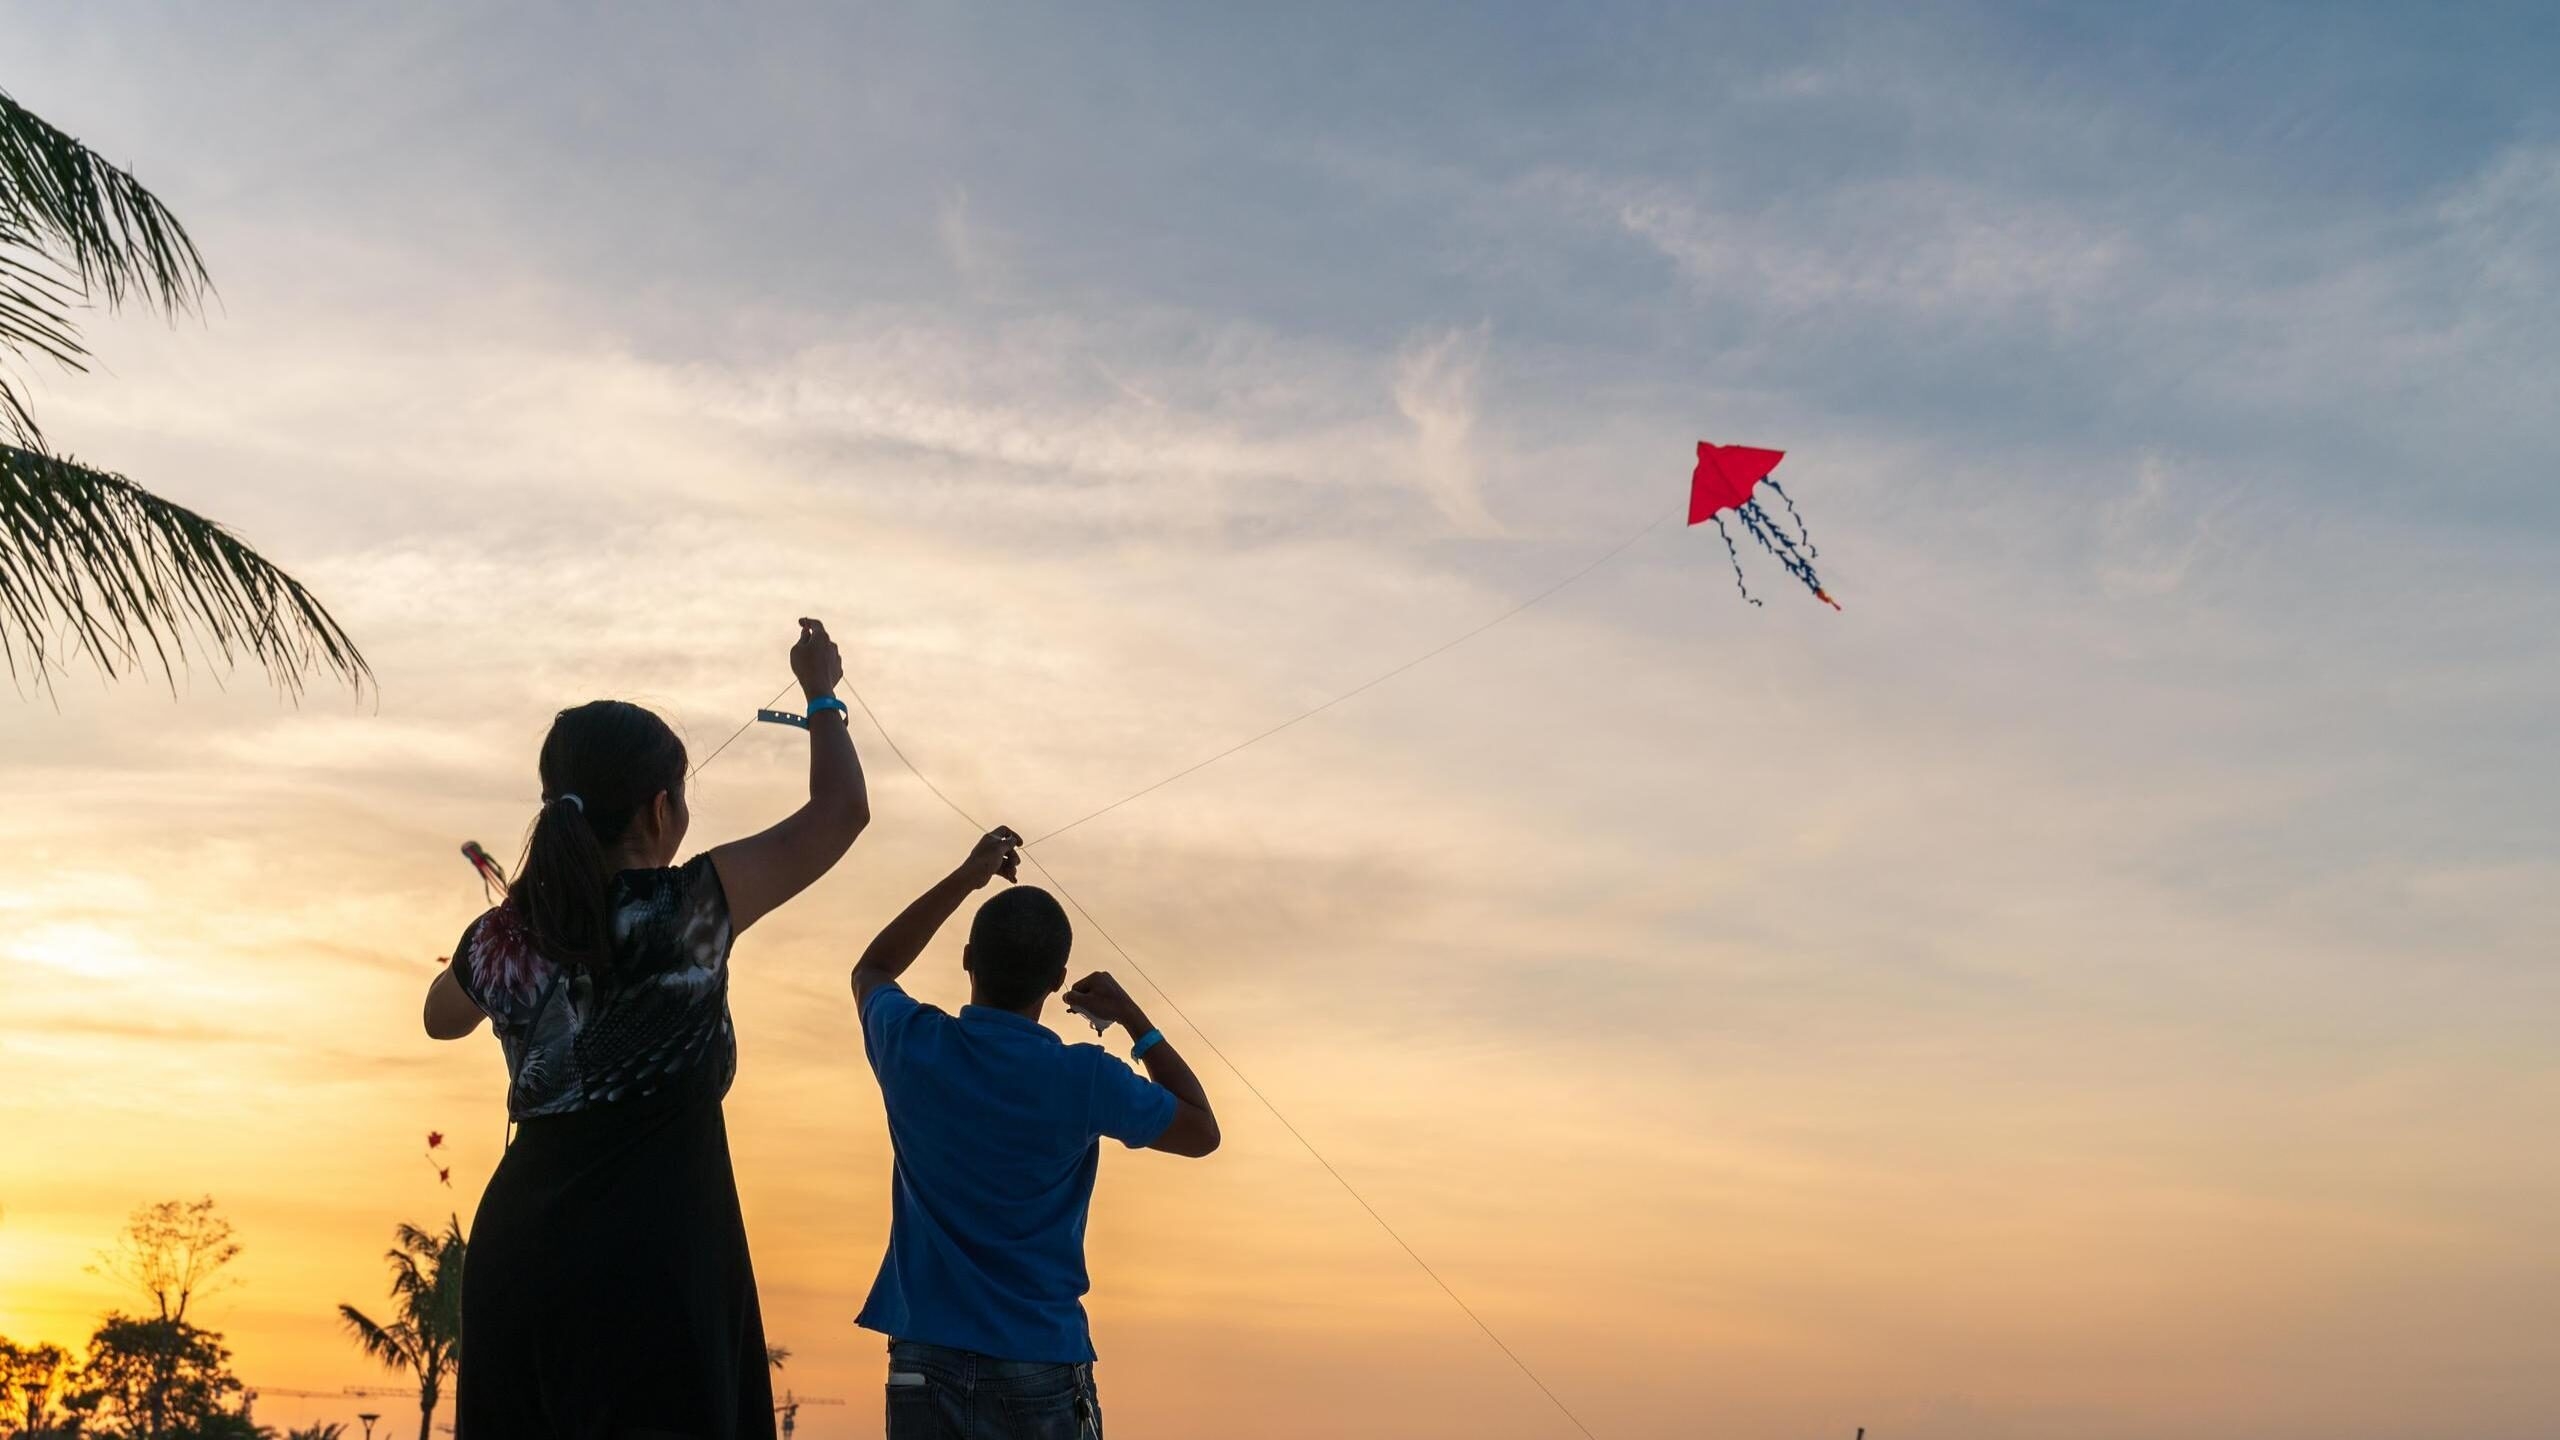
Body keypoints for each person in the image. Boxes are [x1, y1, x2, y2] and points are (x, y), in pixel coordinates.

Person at [423, 618, 870, 1440]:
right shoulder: (694, 906)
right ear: (661, 810)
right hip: (658, 1256)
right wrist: (822, 695)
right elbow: (842, 811)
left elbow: (438, 1016)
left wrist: (520, 919)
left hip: (521, 1253)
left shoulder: (503, 938)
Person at [851, 826, 1220, 1440]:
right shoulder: (1084, 1078)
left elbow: (874, 967)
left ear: (967, 959)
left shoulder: (912, 1044)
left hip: (922, 1358)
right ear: (1058, 981)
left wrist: (966, 877)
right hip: (1039, 1364)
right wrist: (1133, 1018)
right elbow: (1201, 1129)